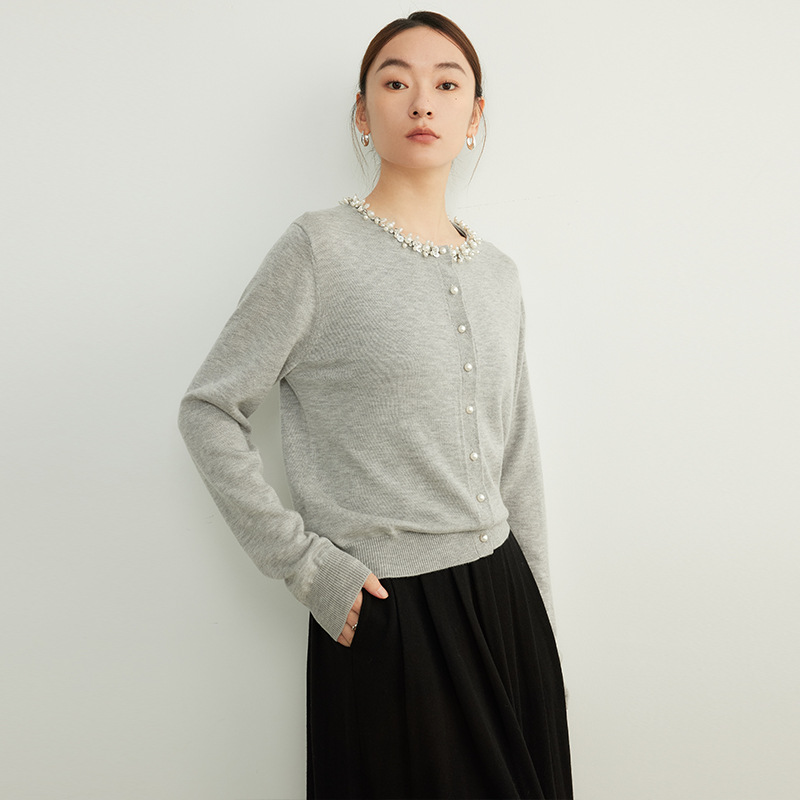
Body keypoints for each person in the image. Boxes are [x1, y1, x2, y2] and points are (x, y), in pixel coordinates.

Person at [178, 10, 572, 799]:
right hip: (393, 614)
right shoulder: (317, 250)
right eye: (395, 83)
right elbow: (208, 409)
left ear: (475, 116)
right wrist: (306, 567)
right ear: (363, 114)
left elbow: (518, 454)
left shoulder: (500, 275)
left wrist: (540, 627)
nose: (421, 101)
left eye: (446, 85)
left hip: (506, 603)